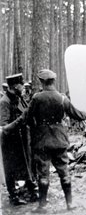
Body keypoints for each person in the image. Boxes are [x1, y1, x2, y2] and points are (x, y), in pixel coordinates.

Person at [3, 70, 86, 213]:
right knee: (64, 172)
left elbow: (24, 118)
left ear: (42, 82)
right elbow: (78, 115)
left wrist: (7, 128)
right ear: (53, 81)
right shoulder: (62, 98)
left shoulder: (37, 98)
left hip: (42, 141)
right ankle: (70, 205)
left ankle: (42, 206)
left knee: (43, 174)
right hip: (60, 140)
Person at [0, 73, 37, 206]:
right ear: (15, 86)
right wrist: (20, 121)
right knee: (10, 168)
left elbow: (25, 112)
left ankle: (31, 190)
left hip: (22, 140)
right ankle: (13, 196)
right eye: (21, 85)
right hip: (10, 143)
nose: (23, 87)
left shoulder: (19, 98)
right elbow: (4, 127)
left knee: (27, 164)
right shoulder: (4, 102)